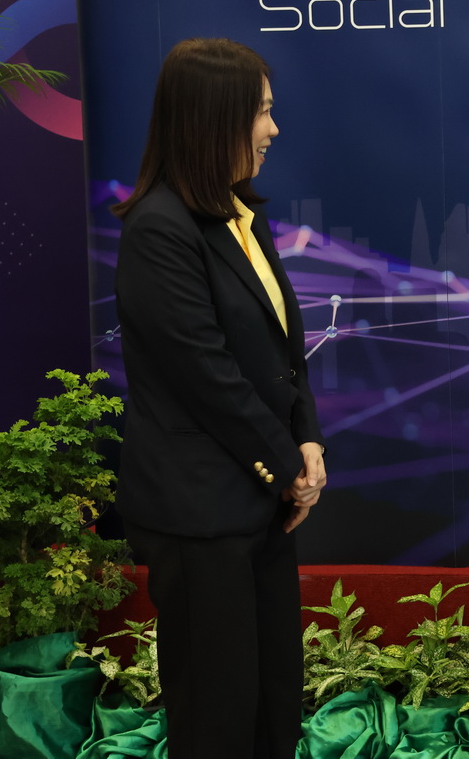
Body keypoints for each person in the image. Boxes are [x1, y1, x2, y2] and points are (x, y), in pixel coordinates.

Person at [112, 38, 326, 759]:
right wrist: (286, 467)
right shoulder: (158, 229)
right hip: (200, 513)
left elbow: (284, 353)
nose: (273, 128)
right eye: (261, 112)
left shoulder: (241, 217)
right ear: (214, 119)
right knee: (218, 715)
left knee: (272, 703)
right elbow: (205, 374)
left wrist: (308, 440)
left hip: (259, 505)